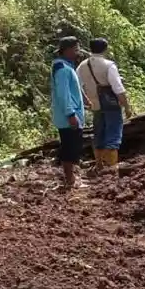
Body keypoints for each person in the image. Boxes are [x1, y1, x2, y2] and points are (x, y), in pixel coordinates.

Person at [77, 37, 134, 169]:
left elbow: (78, 86)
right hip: (111, 103)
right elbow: (118, 88)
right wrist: (126, 106)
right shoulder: (109, 65)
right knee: (113, 131)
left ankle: (99, 164)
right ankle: (112, 166)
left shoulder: (82, 66)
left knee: (99, 132)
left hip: (94, 103)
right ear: (105, 49)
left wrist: (86, 101)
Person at [50, 36, 87, 191]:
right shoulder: (62, 69)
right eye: (76, 49)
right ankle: (70, 180)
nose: (78, 52)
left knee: (72, 146)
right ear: (67, 50)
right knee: (69, 148)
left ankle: (71, 178)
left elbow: (73, 89)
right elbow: (63, 93)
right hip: (68, 116)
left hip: (71, 114)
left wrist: (84, 101)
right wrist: (71, 114)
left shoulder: (67, 66)